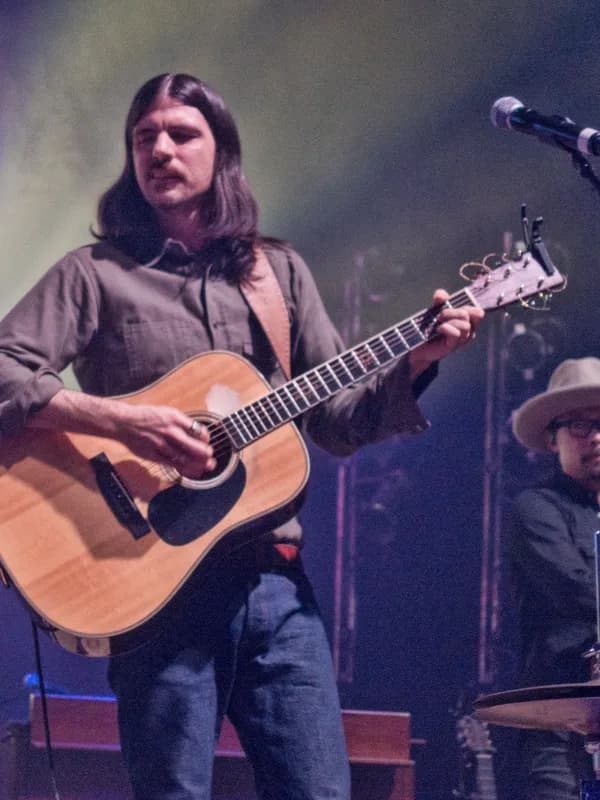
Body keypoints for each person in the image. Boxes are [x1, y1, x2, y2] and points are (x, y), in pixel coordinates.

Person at [0, 73, 483, 800]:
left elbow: (336, 420)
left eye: (181, 134)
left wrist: (416, 363)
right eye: (144, 138)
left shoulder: (275, 272)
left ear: (221, 151)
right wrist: (123, 421)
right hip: (153, 590)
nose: (160, 150)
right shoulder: (95, 275)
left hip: (275, 586)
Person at [509, 356, 600, 800]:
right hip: (562, 730)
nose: (597, 437)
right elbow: (578, 590)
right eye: (581, 425)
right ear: (552, 438)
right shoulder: (536, 508)